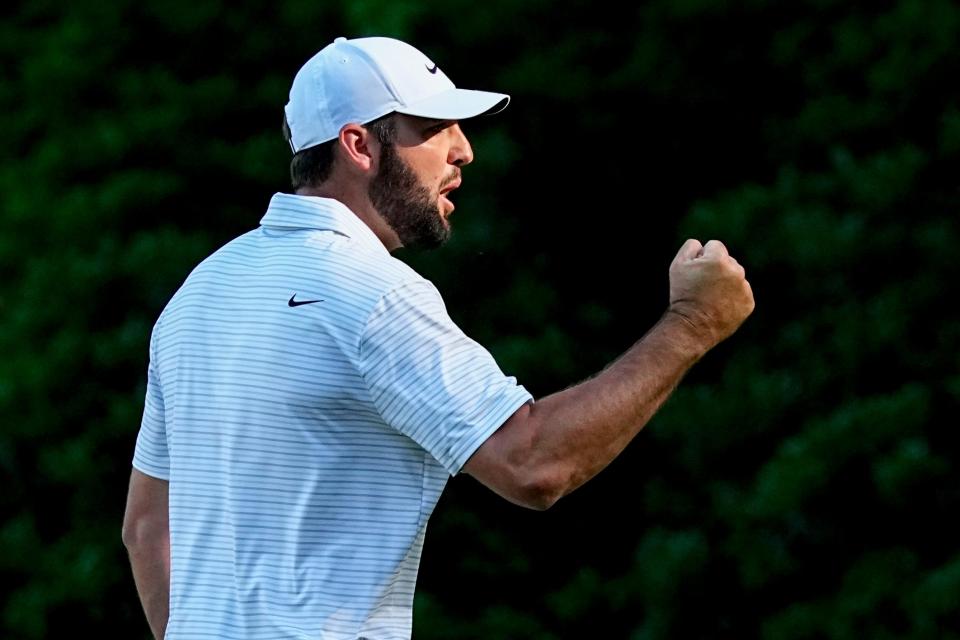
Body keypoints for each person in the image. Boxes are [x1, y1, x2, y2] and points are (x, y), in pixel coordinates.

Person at [122, 35, 754, 640]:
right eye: (433, 127)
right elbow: (532, 464)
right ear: (359, 145)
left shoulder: (199, 293)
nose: (463, 150)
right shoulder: (369, 292)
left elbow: (148, 528)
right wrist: (693, 325)